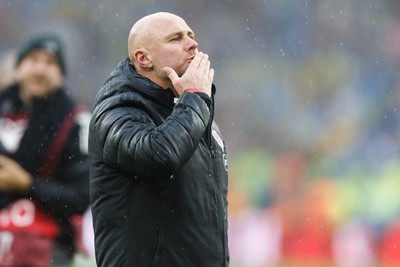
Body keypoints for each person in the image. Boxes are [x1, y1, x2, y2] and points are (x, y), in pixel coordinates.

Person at [89, 12, 229, 266]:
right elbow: (159, 156)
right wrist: (195, 96)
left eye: (191, 36)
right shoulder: (117, 109)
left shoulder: (195, 111)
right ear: (143, 58)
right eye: (175, 39)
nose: (192, 44)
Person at [0, 33, 91, 266]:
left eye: (50, 63)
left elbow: (82, 196)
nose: (40, 69)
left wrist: (27, 184)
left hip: (47, 247)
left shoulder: (76, 121)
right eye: (33, 60)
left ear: (61, 74)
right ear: (19, 66)